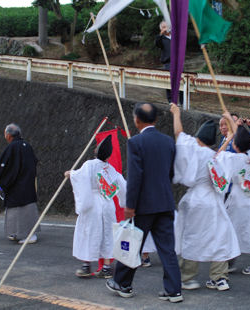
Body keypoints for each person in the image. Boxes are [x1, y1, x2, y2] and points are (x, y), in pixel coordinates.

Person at [106, 103, 182, 303]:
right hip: (165, 202)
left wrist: (130, 206)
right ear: (156, 120)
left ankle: (123, 283)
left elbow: (135, 177)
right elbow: (171, 173)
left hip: (144, 205)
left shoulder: (135, 142)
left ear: (136, 120)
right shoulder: (168, 142)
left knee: (132, 243)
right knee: (167, 249)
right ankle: (174, 290)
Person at [170, 103, 240, 291]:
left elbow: (179, 134)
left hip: (195, 200)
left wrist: (176, 113)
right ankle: (219, 277)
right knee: (220, 236)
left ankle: (187, 278)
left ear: (199, 137)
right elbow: (230, 146)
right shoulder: (215, 157)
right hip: (214, 202)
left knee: (191, 238)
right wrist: (232, 126)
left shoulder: (193, 149)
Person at [215, 113, 250, 276]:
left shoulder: (234, 158)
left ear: (236, 144)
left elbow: (217, 157)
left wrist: (229, 138)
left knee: (231, 230)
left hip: (237, 199)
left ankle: (229, 261)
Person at [65, 135, 127, 279]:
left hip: (93, 204)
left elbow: (80, 177)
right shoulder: (111, 170)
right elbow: (123, 185)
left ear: (96, 151)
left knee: (89, 232)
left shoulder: (89, 165)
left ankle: (86, 266)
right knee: (107, 234)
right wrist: (125, 202)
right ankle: (106, 267)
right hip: (107, 204)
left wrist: (70, 174)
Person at [0, 123, 40, 244]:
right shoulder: (27, 146)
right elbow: (34, 163)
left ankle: (28, 235)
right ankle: (20, 233)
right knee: (26, 208)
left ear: (9, 135)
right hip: (28, 184)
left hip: (17, 185)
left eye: (5, 134)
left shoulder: (12, 147)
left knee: (19, 209)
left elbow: (2, 165)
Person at [155, 21, 183, 105]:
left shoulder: (174, 36)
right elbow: (157, 44)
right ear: (161, 29)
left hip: (178, 62)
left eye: (166, 26)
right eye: (163, 27)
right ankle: (171, 101)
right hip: (168, 63)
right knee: (169, 82)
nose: (165, 28)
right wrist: (160, 34)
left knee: (181, 81)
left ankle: (182, 101)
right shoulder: (161, 39)